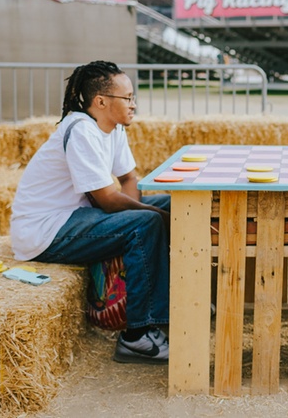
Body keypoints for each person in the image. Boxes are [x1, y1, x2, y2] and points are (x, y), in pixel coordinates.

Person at [10, 60, 172, 365]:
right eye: (128, 98)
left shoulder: (113, 128)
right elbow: (110, 201)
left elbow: (129, 180)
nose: (134, 104)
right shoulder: (81, 130)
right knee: (148, 221)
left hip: (79, 216)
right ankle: (137, 336)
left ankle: (179, 296)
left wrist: (153, 213)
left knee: (173, 207)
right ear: (101, 101)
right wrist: (151, 218)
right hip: (46, 229)